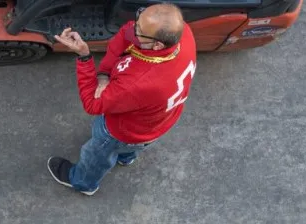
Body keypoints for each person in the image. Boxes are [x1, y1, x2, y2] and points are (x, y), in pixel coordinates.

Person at [47, 2, 197, 196]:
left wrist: (84, 57)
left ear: (157, 44)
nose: (132, 28)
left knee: (96, 155)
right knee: (134, 146)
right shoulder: (182, 33)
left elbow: (93, 104)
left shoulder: (138, 83)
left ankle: (83, 182)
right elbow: (126, 33)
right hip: (159, 122)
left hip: (122, 130)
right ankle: (126, 158)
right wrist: (104, 74)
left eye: (139, 30)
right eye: (139, 19)